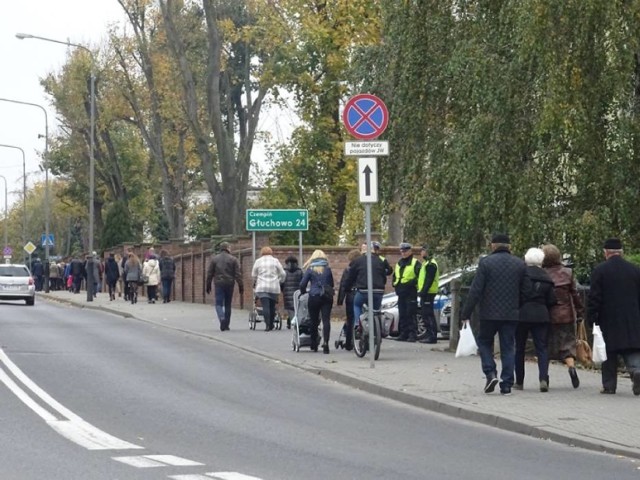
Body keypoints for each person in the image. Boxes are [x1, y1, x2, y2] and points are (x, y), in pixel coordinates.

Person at [461, 233, 531, 395]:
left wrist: (466, 312)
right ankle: (506, 384)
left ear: (493, 245)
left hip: (488, 314)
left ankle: (490, 372)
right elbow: (527, 291)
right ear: (509, 247)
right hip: (511, 314)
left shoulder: (486, 263)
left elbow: (476, 290)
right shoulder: (520, 264)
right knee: (508, 347)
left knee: (484, 342)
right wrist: (517, 305)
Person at [587, 238, 640, 396]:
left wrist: (592, 317)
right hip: (632, 317)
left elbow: (594, 297)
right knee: (631, 349)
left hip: (607, 318)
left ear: (606, 252)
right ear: (621, 252)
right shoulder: (635, 270)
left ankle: (609, 386)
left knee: (608, 353)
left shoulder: (600, 270)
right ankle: (637, 371)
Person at [514, 248, 557, 392]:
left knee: (519, 348)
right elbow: (552, 300)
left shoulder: (521, 275)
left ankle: (519, 381)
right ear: (541, 261)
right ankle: (543, 378)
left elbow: (517, 295)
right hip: (541, 314)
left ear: (526, 259)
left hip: (523, 314)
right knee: (542, 348)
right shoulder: (547, 277)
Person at [542, 243, 584, 389]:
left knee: (545, 346)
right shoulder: (568, 272)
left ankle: (544, 377)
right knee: (568, 344)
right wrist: (580, 311)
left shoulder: (542, 274)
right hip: (566, 315)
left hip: (548, 315)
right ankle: (571, 367)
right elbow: (575, 295)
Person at [343, 244, 387, 347]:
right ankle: (378, 331)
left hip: (363, 291)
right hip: (378, 291)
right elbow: (384, 276)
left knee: (357, 305)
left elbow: (350, 277)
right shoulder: (380, 261)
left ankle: (359, 324)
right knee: (376, 311)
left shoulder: (358, 261)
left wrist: (347, 287)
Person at [299, 249, 335, 353]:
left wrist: (303, 292)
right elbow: (331, 284)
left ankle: (314, 343)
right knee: (326, 320)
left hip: (314, 296)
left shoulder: (310, 270)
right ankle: (326, 343)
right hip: (327, 297)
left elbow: (302, 284)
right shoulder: (328, 269)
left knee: (314, 321)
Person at [206, 242, 244, 331]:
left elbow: (210, 273)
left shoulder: (214, 259)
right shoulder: (233, 259)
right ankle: (226, 325)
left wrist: (208, 285)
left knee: (218, 304)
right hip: (230, 284)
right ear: (227, 248)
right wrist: (241, 285)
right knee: (228, 304)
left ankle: (222, 318)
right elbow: (238, 274)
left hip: (219, 284)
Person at [252, 246, 285, 332]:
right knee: (272, 306)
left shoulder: (258, 261)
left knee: (265, 306)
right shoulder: (275, 261)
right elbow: (283, 273)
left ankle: (267, 325)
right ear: (271, 252)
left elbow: (253, 275)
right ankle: (271, 324)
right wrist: (280, 281)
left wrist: (256, 280)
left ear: (261, 253)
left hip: (262, 287)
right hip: (274, 287)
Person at [393, 243, 421, 342]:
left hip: (410, 292)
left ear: (410, 251)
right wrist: (395, 285)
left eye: (405, 251)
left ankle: (412, 335)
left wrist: (411, 283)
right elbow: (395, 276)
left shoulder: (415, 263)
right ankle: (403, 334)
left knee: (411, 313)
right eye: (402, 251)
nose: (403, 253)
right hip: (401, 292)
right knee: (402, 314)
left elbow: (419, 277)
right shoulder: (399, 263)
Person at [337, 249, 363, 350]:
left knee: (351, 319)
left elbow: (344, 284)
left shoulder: (348, 269)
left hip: (351, 295)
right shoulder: (363, 268)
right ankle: (364, 342)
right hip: (362, 293)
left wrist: (340, 300)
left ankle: (349, 343)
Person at [417, 244, 440, 344]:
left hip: (428, 293)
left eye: (422, 251)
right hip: (426, 292)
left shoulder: (431, 264)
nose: (421, 253)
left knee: (428, 314)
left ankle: (432, 336)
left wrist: (423, 292)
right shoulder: (426, 263)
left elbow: (429, 280)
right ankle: (428, 334)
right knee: (425, 314)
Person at [282, 256, 303, 329]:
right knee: (296, 308)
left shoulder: (284, 272)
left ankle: (292, 323)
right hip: (297, 292)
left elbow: (282, 283)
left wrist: (282, 289)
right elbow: (302, 282)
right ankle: (293, 322)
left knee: (290, 309)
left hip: (287, 293)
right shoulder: (299, 271)